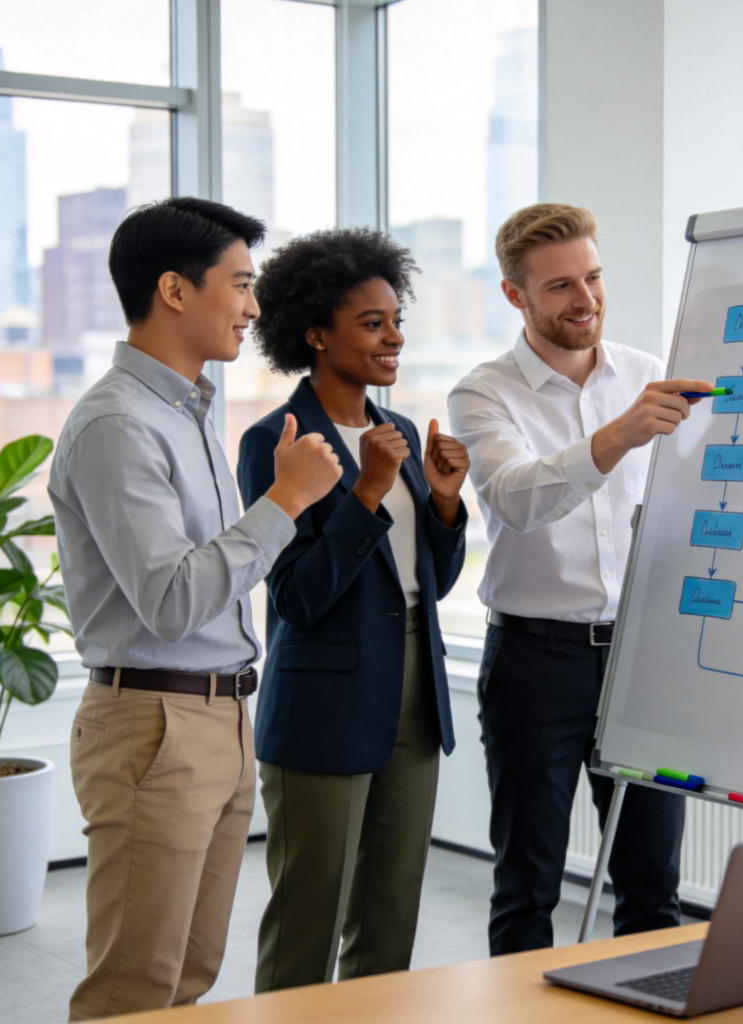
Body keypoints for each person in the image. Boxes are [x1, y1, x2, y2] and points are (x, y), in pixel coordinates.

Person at [48, 197, 343, 1021]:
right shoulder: (117, 423)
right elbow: (173, 600)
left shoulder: (189, 411)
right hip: (155, 721)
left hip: (218, 715)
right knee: (133, 987)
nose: (254, 307)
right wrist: (285, 502)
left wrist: (278, 504)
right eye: (240, 284)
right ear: (175, 291)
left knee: (189, 977)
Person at [447, 202, 713, 956]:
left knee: (651, 881)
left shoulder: (646, 374)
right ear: (515, 296)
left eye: (593, 277)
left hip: (642, 657)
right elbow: (516, 498)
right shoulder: (483, 392)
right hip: (536, 663)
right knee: (526, 884)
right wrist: (620, 434)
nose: (586, 298)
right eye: (561, 285)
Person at [236, 227, 469, 990]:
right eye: (373, 324)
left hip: (413, 687)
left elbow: (430, 582)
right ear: (315, 333)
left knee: (391, 909)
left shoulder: (397, 431)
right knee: (310, 913)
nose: (393, 337)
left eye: (396, 320)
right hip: (325, 697)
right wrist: (367, 491)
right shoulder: (276, 438)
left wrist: (441, 502)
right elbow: (298, 597)